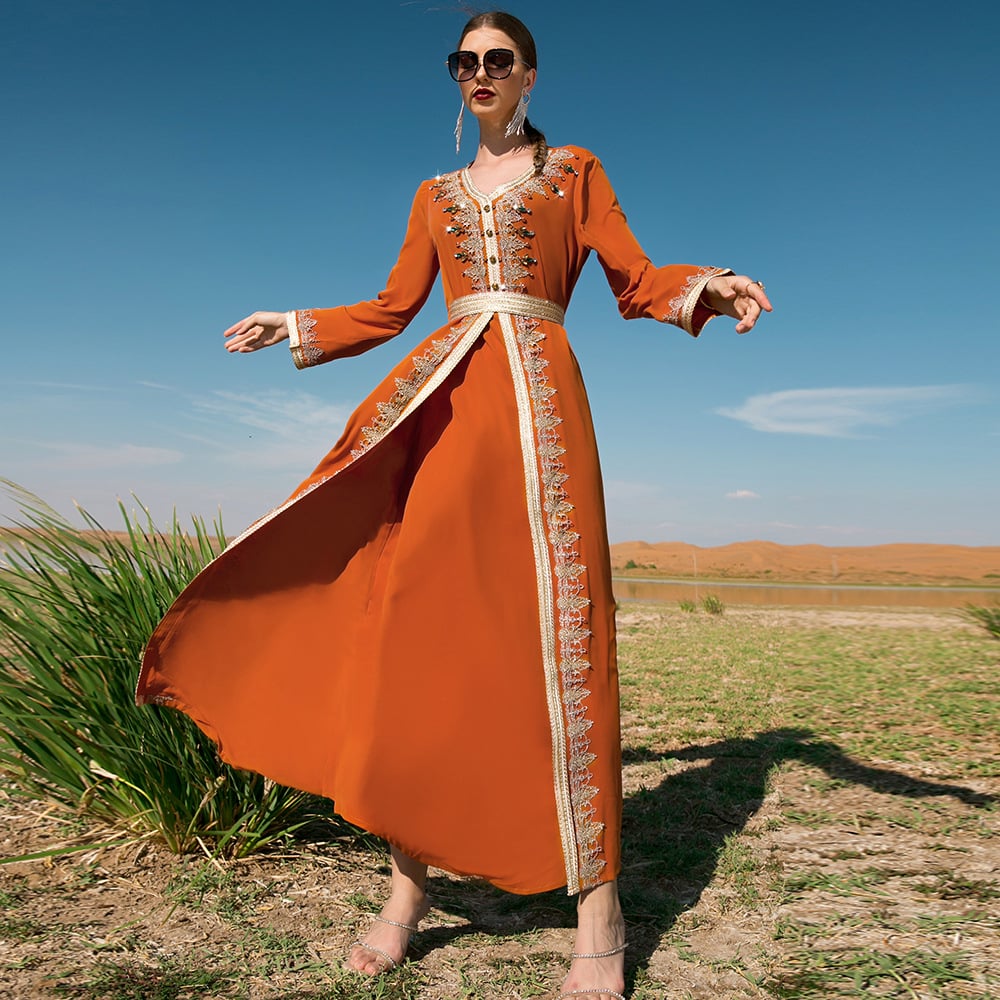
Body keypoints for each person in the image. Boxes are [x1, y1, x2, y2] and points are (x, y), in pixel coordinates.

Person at [136, 11, 771, 1000]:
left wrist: (710, 283)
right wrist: (293, 320)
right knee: (416, 637)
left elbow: (635, 279)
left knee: (564, 637)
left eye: (498, 60)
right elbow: (394, 307)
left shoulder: (575, 171)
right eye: (464, 61)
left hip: (542, 421)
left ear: (528, 74)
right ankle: (405, 894)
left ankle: (599, 922)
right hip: (442, 417)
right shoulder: (433, 195)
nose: (480, 73)